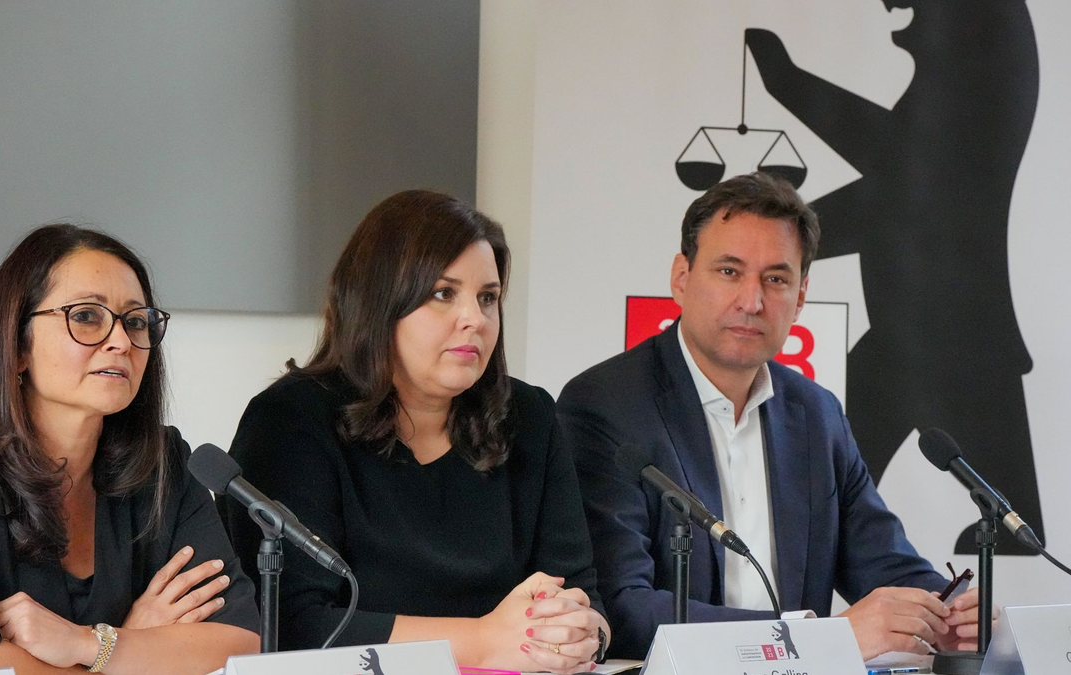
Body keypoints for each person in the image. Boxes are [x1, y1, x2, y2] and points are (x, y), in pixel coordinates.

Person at [558, 172, 992, 660]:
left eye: (776, 278)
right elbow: (620, 608)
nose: (752, 301)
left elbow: (883, 562)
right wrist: (816, 638)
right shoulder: (605, 405)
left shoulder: (816, 413)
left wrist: (947, 612)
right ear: (681, 277)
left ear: (801, 295)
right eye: (729, 271)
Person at [223, 190, 611, 673]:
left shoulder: (528, 415)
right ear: (378, 303)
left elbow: (581, 593)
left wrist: (585, 636)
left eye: (487, 298)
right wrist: (481, 641)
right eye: (443, 294)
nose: (475, 319)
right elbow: (289, 624)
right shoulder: (290, 421)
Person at [0, 224, 260, 674]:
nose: (121, 341)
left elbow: (238, 645)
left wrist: (87, 645)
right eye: (86, 316)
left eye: (136, 321)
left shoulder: (163, 460)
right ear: (18, 345)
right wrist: (130, 650)